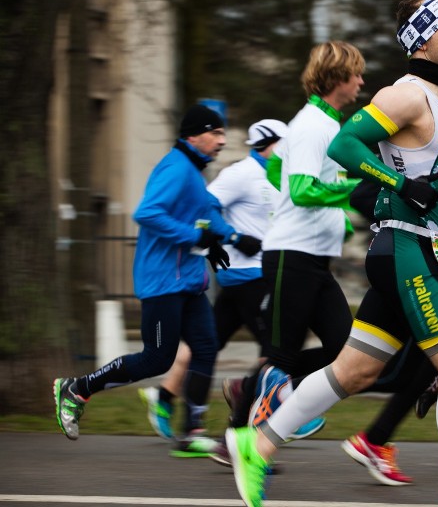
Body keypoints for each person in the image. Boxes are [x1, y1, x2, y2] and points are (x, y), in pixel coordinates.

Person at [225, 0, 438, 507]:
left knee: (355, 371)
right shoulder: (406, 94)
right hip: (404, 249)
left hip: (424, 249)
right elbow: (344, 145)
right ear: (423, 38)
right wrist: (396, 181)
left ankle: (257, 443)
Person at [54, 104, 260, 456]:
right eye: (216, 133)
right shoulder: (177, 168)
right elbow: (147, 213)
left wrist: (231, 239)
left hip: (188, 281)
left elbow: (206, 213)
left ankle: (191, 430)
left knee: (207, 346)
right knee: (157, 359)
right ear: (193, 135)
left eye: (223, 133)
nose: (222, 140)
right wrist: (195, 239)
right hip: (163, 280)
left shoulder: (194, 172)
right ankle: (77, 388)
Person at [242, 41, 365, 434]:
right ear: (338, 78)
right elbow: (301, 190)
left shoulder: (322, 124)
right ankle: (249, 433)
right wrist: (354, 189)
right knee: (280, 356)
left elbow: (279, 171)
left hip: (312, 256)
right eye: (356, 74)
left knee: (343, 350)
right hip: (292, 256)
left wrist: (335, 216)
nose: (361, 81)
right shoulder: (313, 125)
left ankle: (256, 397)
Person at [138, 119, 284, 443]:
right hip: (245, 274)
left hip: (258, 274)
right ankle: (262, 410)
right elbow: (206, 208)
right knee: (274, 346)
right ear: (268, 144)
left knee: (206, 345)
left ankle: (165, 399)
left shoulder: (277, 177)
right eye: (284, 146)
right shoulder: (241, 173)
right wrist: (232, 236)